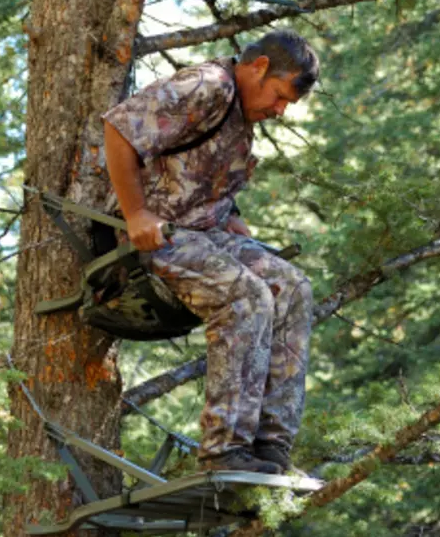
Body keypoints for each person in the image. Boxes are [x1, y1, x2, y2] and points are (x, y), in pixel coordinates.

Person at [103, 30, 319, 475]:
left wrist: (231, 216)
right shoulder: (209, 85)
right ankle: (225, 452)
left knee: (293, 287)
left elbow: (202, 178)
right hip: (153, 236)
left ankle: (271, 449)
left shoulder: (243, 118)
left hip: (203, 233)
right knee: (247, 296)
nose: (279, 111)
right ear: (257, 67)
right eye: (279, 96)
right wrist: (137, 213)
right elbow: (119, 127)